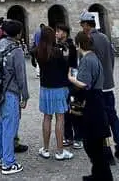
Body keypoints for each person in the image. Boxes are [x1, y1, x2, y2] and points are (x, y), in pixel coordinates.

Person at [80, 11, 119, 164]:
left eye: (82, 24)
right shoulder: (105, 38)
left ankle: (107, 153)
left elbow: (88, 66)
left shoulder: (89, 41)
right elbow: (112, 60)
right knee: (113, 119)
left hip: (96, 89)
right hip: (108, 85)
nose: (81, 27)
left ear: (87, 25)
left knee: (100, 122)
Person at [69, 31, 113, 180]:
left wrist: (70, 78)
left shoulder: (87, 60)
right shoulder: (94, 57)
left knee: (92, 143)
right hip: (97, 100)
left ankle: (104, 176)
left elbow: (84, 84)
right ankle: (98, 174)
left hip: (91, 103)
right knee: (95, 143)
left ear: (79, 44)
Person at [0, 19, 28, 176]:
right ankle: (8, 163)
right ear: (18, 34)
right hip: (11, 91)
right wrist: (25, 96)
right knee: (10, 126)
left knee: (2, 123)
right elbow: (21, 76)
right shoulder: (16, 50)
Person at [33, 26, 73, 161]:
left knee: (47, 117)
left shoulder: (38, 52)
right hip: (59, 88)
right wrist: (66, 57)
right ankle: (60, 151)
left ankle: (45, 149)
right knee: (60, 118)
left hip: (45, 88)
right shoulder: (58, 52)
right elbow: (66, 69)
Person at [56, 24, 81, 149]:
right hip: (61, 82)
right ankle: (68, 136)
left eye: (58, 31)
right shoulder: (57, 46)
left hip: (71, 82)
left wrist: (73, 82)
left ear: (65, 33)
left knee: (75, 110)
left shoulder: (70, 46)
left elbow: (73, 66)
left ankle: (78, 137)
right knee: (64, 112)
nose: (56, 33)